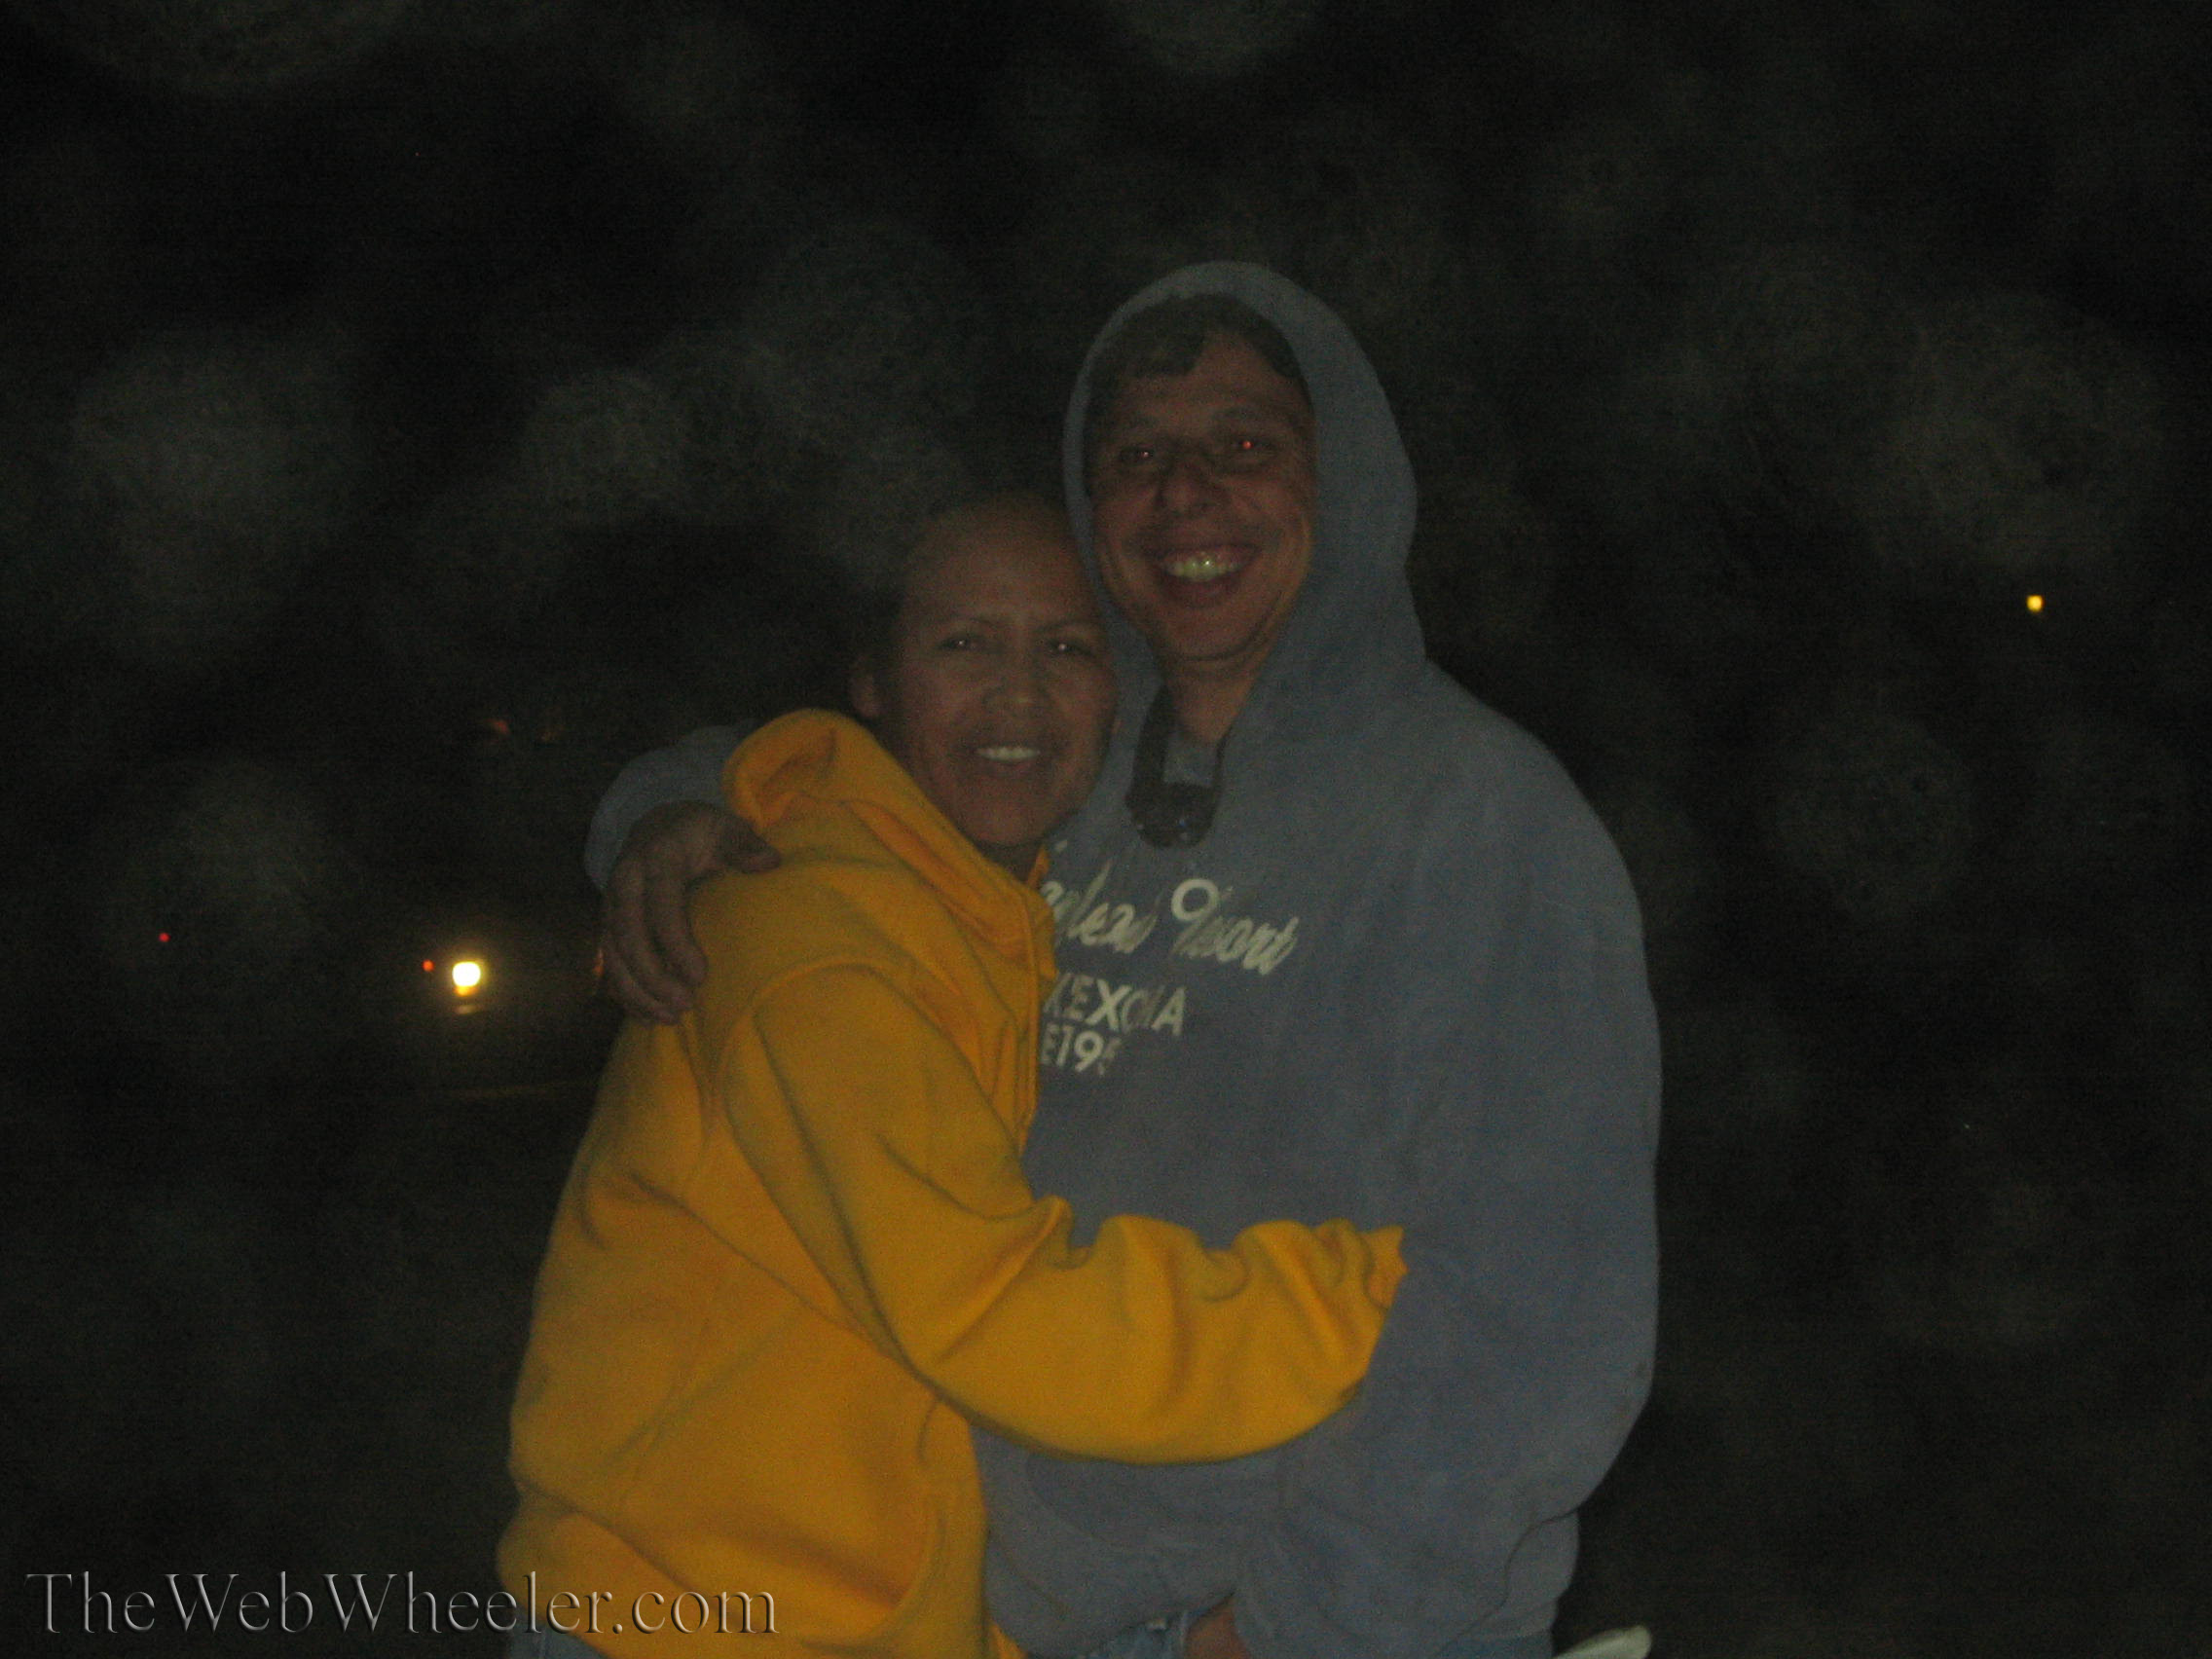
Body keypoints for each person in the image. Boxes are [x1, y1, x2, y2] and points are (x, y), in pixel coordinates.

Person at [588, 267, 1659, 1659]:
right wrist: (666, 811)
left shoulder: (1479, 823)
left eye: (1244, 444)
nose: (1187, 494)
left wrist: (1290, 1628)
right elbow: (834, 778)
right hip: (980, 1613)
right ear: (1091, 509)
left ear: (1343, 478)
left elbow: (1536, 1319)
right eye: (1138, 457)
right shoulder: (1055, 779)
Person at [500, 490, 1408, 1659]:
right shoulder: (811, 940)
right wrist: (1379, 1294)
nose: (1018, 696)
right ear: (873, 678)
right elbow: (995, 1316)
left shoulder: (996, 901)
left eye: (1066, 648)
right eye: (964, 643)